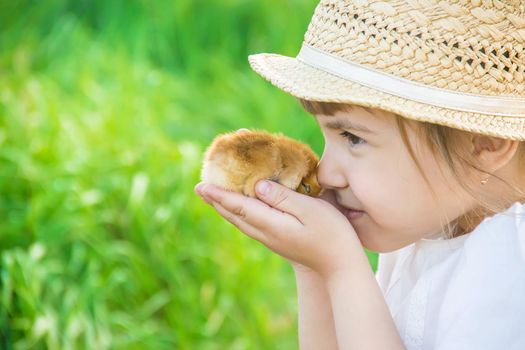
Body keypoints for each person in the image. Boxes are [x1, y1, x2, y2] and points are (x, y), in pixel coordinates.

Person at [195, 0, 525, 348]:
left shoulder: (507, 268)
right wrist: (314, 268)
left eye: (352, 138)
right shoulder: (426, 226)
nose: (325, 175)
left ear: (485, 145)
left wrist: (342, 269)